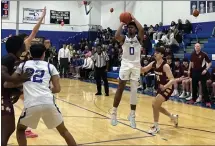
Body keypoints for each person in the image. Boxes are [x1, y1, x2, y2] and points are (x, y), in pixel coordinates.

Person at [4, 44, 77, 146]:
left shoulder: (23, 65)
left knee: (20, 130)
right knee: (64, 131)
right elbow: (57, 89)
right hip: (48, 102)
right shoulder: (50, 66)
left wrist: (25, 85)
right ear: (44, 54)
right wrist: (44, 88)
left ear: (30, 54)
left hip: (32, 103)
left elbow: (8, 84)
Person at [110, 14, 144, 128]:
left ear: (135, 29)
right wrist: (122, 22)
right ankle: (114, 113)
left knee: (134, 90)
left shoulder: (138, 39)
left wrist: (134, 19)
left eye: (132, 27)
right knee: (120, 88)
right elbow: (116, 35)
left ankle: (132, 115)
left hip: (135, 66)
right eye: (128, 27)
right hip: (125, 65)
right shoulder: (124, 39)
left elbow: (142, 29)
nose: (130, 28)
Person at [1, 36, 31, 146]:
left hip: (5, 96)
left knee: (8, 129)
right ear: (18, 46)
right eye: (23, 43)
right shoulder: (9, 57)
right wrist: (18, 78)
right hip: (2, 97)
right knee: (7, 129)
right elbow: (2, 72)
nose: (25, 44)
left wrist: (17, 93)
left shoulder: (14, 59)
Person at [141, 46, 178, 134]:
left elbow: (172, 80)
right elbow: (143, 70)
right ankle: (172, 117)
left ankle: (156, 126)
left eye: (157, 53)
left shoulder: (165, 66)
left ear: (161, 55)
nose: (155, 54)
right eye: (155, 52)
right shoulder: (153, 63)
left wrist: (165, 86)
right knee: (155, 105)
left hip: (167, 87)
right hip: (161, 87)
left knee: (154, 104)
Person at [187, 43, 212, 107]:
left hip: (202, 72)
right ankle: (193, 99)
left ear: (200, 47)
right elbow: (191, 62)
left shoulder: (204, 54)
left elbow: (210, 63)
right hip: (194, 72)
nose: (197, 47)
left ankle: (207, 101)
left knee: (204, 87)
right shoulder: (192, 54)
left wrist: (206, 70)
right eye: (195, 46)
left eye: (198, 46)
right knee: (194, 86)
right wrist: (189, 70)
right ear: (194, 47)